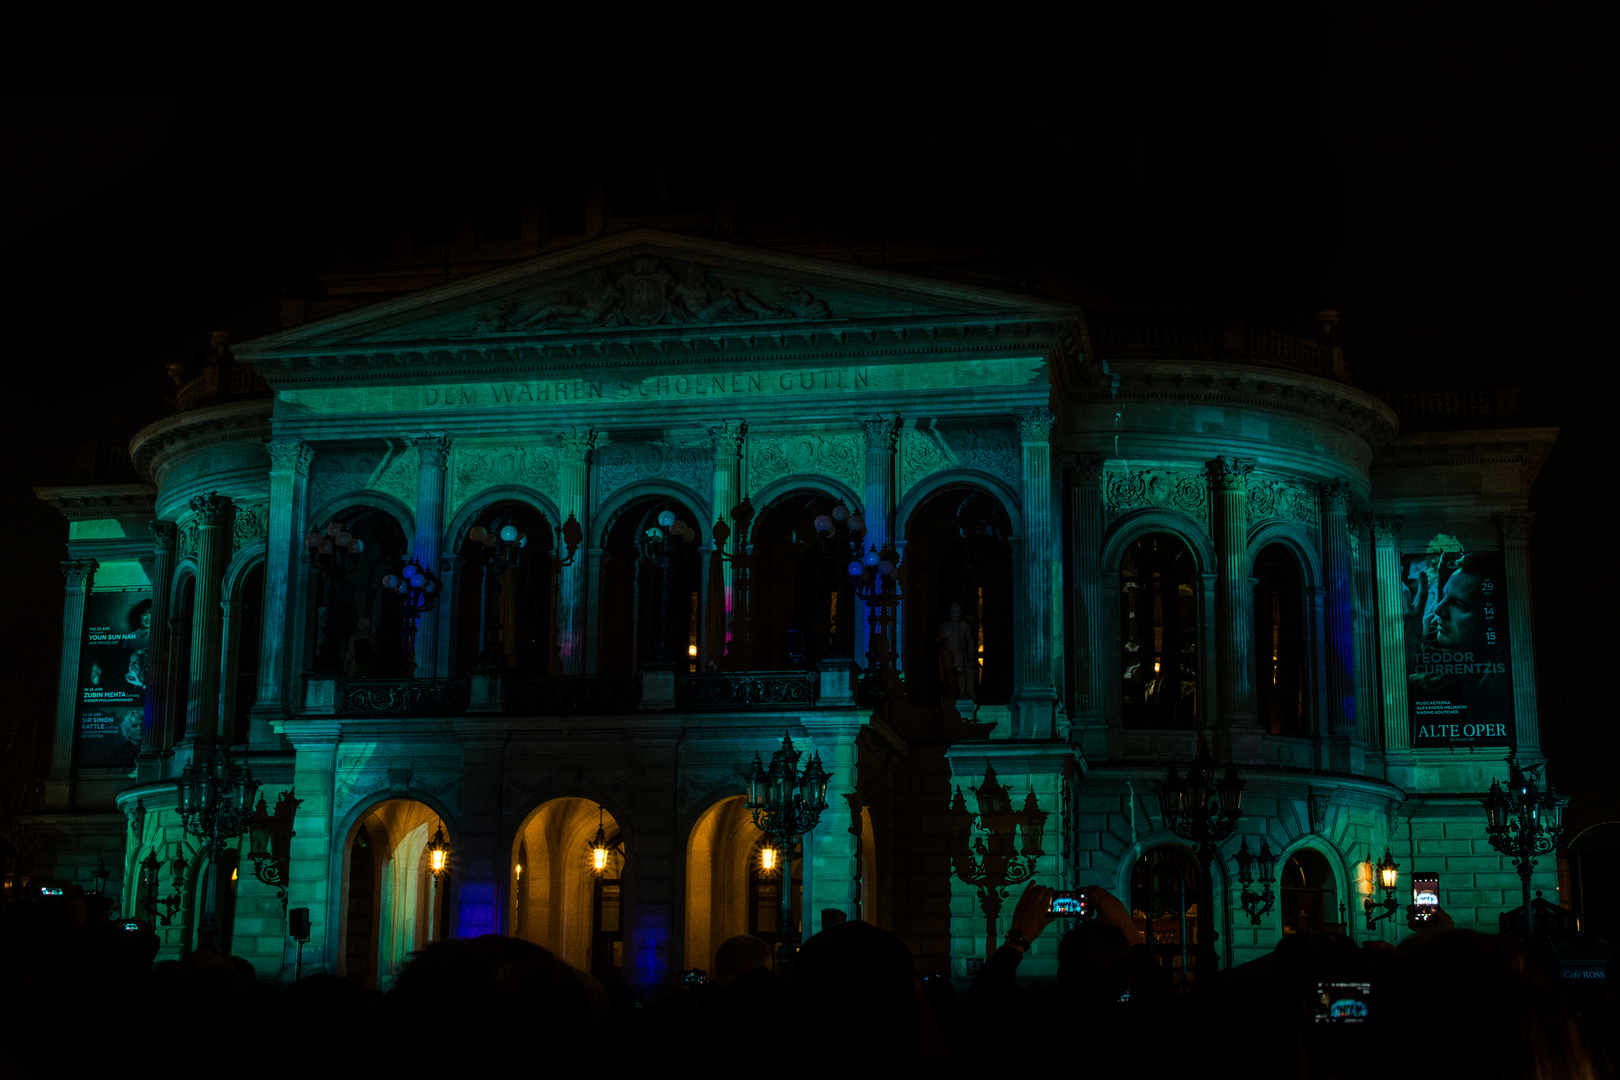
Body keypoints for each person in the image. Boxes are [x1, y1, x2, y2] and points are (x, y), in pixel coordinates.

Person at [936, 602, 976, 701]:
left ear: (959, 613)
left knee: (960, 672)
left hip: (959, 652)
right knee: (949, 674)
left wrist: (971, 655)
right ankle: (952, 694)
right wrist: (945, 636)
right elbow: (937, 638)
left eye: (956, 612)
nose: (954, 614)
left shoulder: (963, 625)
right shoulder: (946, 625)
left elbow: (969, 641)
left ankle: (961, 693)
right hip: (948, 653)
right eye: (952, 612)